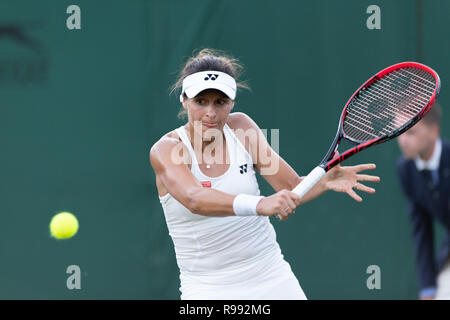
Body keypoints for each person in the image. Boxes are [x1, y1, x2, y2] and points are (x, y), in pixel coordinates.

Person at [149, 48, 380, 300]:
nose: (211, 113)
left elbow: (291, 186)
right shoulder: (167, 150)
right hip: (208, 289)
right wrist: (261, 204)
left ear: (232, 103)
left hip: (271, 275)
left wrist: (323, 182)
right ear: (184, 100)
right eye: (200, 101)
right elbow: (193, 198)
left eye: (220, 102)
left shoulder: (242, 129)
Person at [396, 102, 450, 300]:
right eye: (399, 132)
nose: (402, 140)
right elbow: (422, 230)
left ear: (433, 131)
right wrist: (427, 288)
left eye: (411, 132)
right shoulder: (405, 170)